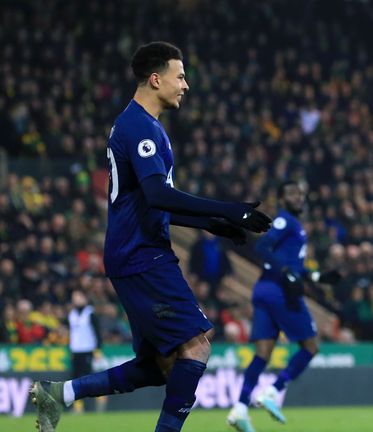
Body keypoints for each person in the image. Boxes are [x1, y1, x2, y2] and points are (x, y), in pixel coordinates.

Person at [30, 41, 272, 432]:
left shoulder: (143, 125)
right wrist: (231, 208)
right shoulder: (139, 127)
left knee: (162, 367)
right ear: (156, 79)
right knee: (197, 347)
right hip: (141, 253)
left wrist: (211, 223)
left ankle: (62, 394)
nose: (186, 85)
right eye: (180, 76)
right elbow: (159, 194)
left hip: (136, 253)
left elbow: (152, 202)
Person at [227, 180, 340, 432]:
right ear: (282, 198)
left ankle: (240, 409)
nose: (298, 197)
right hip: (280, 293)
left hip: (265, 289)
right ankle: (272, 392)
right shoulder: (285, 220)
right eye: (291, 193)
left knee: (262, 353)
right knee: (310, 347)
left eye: (300, 193)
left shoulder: (294, 225)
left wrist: (319, 277)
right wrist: (287, 271)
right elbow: (263, 246)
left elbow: (293, 268)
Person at [67, 290, 105, 413]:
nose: (76, 300)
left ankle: (101, 398)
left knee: (89, 378)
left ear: (84, 298)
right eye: (74, 297)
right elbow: (72, 334)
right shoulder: (71, 314)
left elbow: (97, 332)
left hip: (88, 349)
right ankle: (78, 406)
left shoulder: (90, 313)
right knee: (75, 378)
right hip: (76, 350)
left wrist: (98, 349)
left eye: (78, 297)